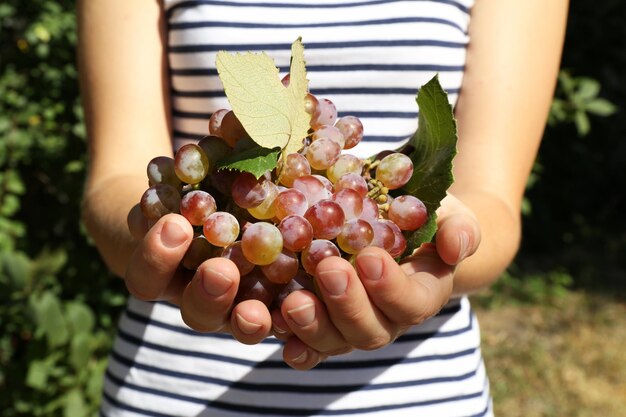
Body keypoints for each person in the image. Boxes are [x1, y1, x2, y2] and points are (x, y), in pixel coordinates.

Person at [78, 0, 569, 415]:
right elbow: (118, 183)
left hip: (418, 397)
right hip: (169, 389)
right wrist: (157, 242)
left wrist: (441, 251)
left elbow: (496, 206)